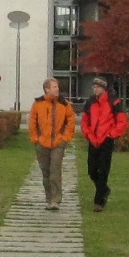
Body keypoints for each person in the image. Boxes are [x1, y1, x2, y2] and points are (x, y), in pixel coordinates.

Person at [80, 76, 129, 211]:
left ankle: (99, 201)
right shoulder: (90, 101)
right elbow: (85, 120)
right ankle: (104, 189)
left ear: (104, 88)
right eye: (94, 87)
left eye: (97, 87)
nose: (95, 89)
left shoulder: (114, 101)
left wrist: (111, 135)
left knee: (103, 171)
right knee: (91, 170)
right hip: (93, 139)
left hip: (106, 140)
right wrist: (88, 133)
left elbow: (122, 122)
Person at [29, 77, 77, 211]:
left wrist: (65, 139)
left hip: (58, 143)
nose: (57, 89)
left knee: (55, 171)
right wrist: (35, 139)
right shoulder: (38, 104)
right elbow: (32, 122)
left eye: (57, 87)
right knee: (45, 172)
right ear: (47, 89)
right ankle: (49, 199)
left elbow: (71, 121)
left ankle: (56, 200)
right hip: (41, 143)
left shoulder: (65, 104)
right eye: (54, 87)